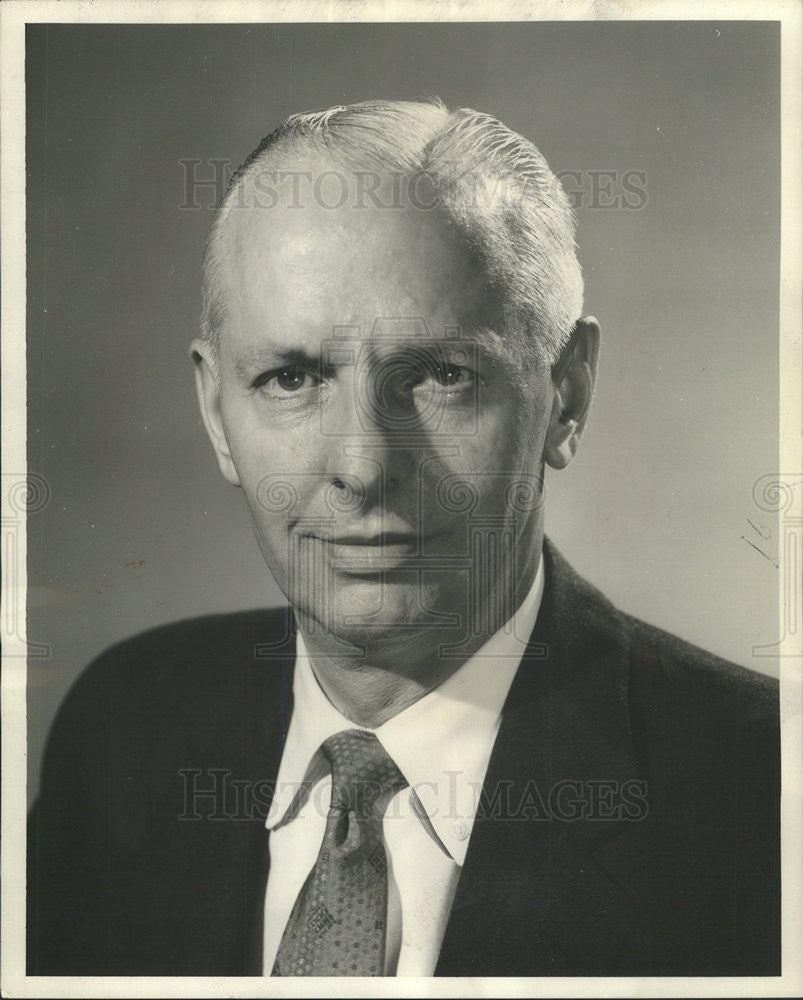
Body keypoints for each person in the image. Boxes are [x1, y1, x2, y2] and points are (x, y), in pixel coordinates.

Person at [27, 99, 780, 977]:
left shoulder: (759, 801)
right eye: (292, 377)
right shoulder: (125, 726)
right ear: (215, 412)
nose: (362, 464)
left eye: (438, 374)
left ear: (565, 397)